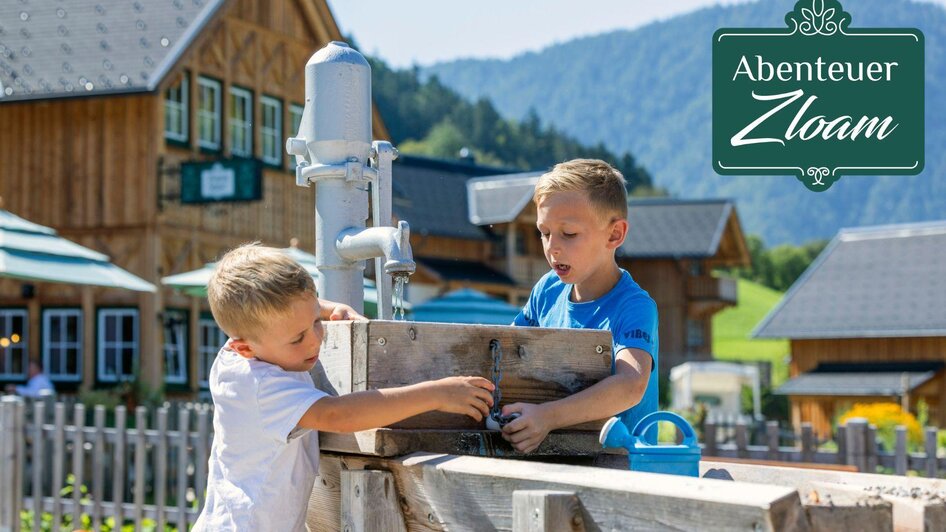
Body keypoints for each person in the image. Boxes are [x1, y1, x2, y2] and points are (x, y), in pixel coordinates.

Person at [192, 244, 493, 531]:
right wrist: (437, 393)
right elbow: (337, 415)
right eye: (297, 338)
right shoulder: (261, 386)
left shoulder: (241, 352)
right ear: (244, 348)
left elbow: (290, 311)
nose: (315, 340)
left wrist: (334, 308)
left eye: (315, 322)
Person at [501, 159, 659, 453]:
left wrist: (547, 417)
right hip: (560, 460)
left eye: (569, 234)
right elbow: (506, 350)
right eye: (544, 233)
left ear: (614, 235)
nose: (552, 247)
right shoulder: (547, 290)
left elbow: (630, 386)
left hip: (627, 470)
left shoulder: (635, 306)